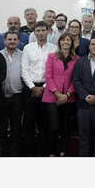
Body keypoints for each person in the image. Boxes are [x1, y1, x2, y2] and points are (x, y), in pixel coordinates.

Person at [21, 21, 57, 156]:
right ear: (34, 32)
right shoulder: (28, 48)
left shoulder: (54, 48)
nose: (41, 33)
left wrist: (43, 87)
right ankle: (30, 153)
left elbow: (54, 71)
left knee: (44, 123)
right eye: (38, 31)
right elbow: (24, 70)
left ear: (48, 31)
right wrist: (32, 87)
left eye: (43, 30)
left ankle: (42, 152)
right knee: (29, 123)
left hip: (47, 89)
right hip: (30, 89)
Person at [43, 33, 79, 157]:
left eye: (68, 40)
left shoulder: (77, 59)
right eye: (63, 40)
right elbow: (48, 76)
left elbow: (76, 79)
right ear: (59, 42)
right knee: (54, 126)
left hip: (69, 98)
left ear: (71, 43)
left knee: (65, 126)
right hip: (52, 97)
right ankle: (51, 151)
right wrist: (57, 93)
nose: (65, 42)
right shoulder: (52, 56)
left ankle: (63, 151)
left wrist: (68, 94)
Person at [0, 31, 24, 157]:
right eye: (9, 39)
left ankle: (14, 153)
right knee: (1, 127)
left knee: (16, 126)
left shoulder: (24, 55)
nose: (12, 41)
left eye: (14, 39)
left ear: (18, 41)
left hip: (17, 95)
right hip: (1, 95)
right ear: (4, 41)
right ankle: (1, 153)